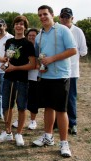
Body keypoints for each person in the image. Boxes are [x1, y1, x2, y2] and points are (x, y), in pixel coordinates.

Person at [32, 5, 77, 158]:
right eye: (40, 15)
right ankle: (48, 137)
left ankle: (64, 143)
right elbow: (40, 56)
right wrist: (41, 65)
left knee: (61, 110)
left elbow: (73, 50)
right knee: (48, 108)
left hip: (61, 76)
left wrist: (52, 59)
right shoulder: (39, 36)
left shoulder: (63, 30)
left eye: (45, 14)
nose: (42, 17)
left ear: (52, 15)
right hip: (45, 77)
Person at [0, 16, 35, 146]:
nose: (19, 26)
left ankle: (19, 134)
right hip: (8, 79)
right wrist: (5, 64)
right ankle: (8, 132)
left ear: (25, 27)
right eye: (17, 23)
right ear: (13, 26)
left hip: (22, 80)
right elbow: (7, 58)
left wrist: (15, 68)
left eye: (21, 24)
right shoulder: (10, 41)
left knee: (21, 107)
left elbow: (32, 64)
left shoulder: (28, 44)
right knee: (7, 106)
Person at [59, 7, 88, 136]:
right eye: (63, 17)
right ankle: (56, 122)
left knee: (70, 98)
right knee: (57, 98)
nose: (65, 19)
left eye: (67, 17)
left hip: (71, 72)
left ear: (72, 18)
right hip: (57, 71)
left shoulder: (78, 31)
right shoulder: (56, 30)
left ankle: (72, 123)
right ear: (59, 18)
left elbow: (83, 51)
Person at [12, 28, 39, 130]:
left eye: (34, 35)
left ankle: (33, 120)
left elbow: (38, 64)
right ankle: (20, 119)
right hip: (23, 76)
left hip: (34, 77)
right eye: (30, 35)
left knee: (33, 100)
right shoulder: (24, 46)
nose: (31, 37)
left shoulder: (39, 47)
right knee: (20, 100)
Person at [0, 18, 14, 121]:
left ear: (5, 26)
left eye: (0, 25)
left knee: (6, 95)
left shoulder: (11, 38)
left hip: (6, 71)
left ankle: (6, 115)